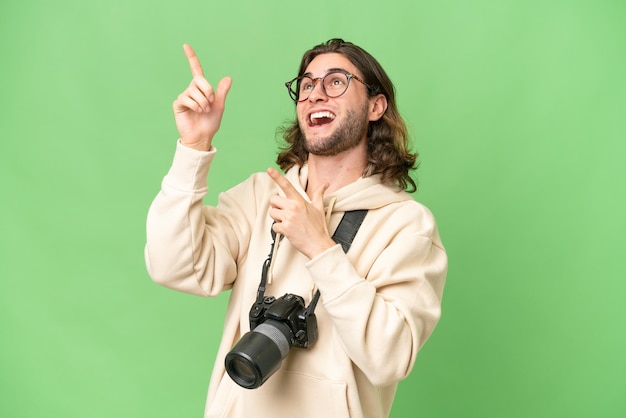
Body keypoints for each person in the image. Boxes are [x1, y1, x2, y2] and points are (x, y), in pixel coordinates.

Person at [145, 38, 447, 418]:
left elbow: (390, 357)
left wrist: (320, 248)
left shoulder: (406, 225)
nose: (315, 95)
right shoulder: (260, 196)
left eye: (336, 82)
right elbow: (172, 265)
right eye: (306, 85)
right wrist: (194, 145)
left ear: (375, 105)